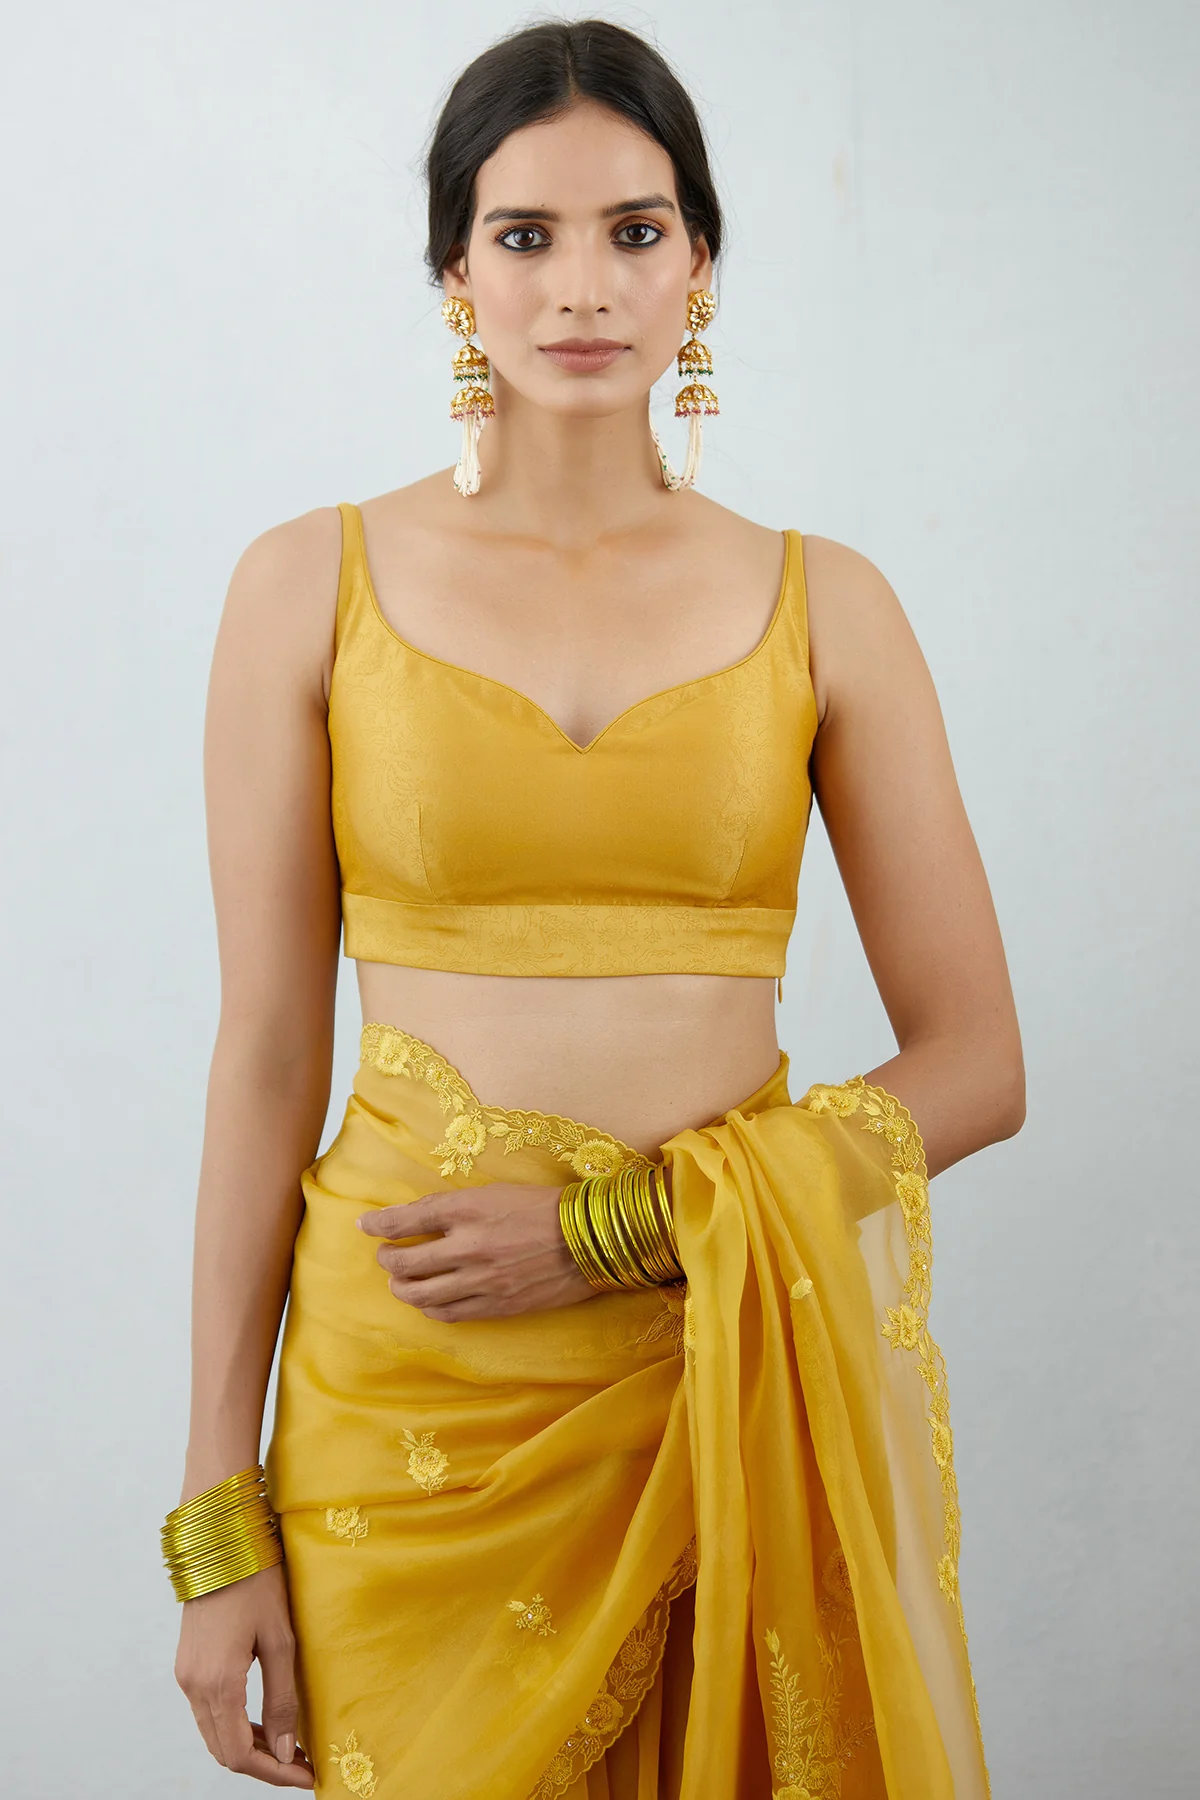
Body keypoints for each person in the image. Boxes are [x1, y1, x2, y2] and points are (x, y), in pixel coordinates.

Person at [167, 19, 1024, 1799]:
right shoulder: (308, 586)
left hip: (712, 1364)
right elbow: (264, 1059)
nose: (581, 287)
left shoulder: (827, 605)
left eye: (635, 231)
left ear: (700, 260)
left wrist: (621, 1229)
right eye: (525, 234)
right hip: (408, 1399)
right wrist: (214, 1515)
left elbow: (979, 1063)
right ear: (454, 269)